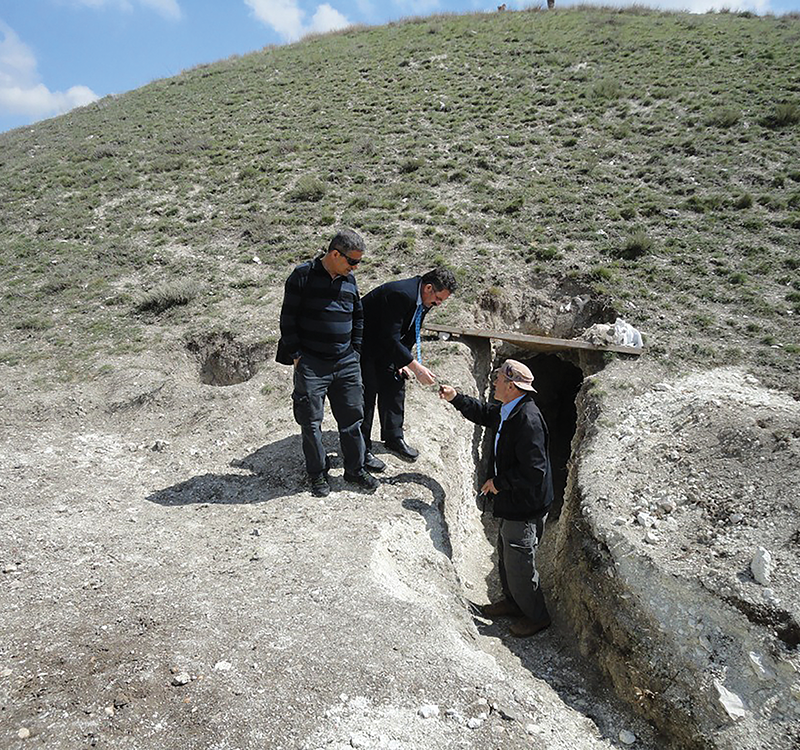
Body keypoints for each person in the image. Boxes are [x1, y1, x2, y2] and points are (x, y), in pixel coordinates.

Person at [439, 360, 554, 637]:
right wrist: (457, 398)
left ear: (511, 386)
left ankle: (537, 616)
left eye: (498, 379)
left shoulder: (528, 420)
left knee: (520, 563)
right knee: (506, 554)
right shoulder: (510, 410)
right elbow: (484, 413)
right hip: (514, 502)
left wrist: (498, 483)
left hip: (525, 506)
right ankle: (514, 604)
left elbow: (534, 470)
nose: (494, 383)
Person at [278, 229, 379, 497]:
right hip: (312, 364)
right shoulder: (302, 276)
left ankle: (355, 470)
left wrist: (355, 351)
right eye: (352, 261)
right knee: (311, 422)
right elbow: (287, 319)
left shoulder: (349, 280)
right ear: (335, 254)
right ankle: (318, 474)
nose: (355, 267)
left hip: (346, 363)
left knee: (352, 420)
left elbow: (358, 317)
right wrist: (298, 355)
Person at [360, 268, 457, 468]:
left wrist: (402, 362)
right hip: (364, 346)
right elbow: (389, 336)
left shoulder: (425, 298)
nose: (438, 304)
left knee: (395, 384)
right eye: (438, 298)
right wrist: (415, 367)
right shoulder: (401, 294)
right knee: (366, 396)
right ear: (429, 287)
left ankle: (393, 437)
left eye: (442, 301)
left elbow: (412, 330)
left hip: (385, 346)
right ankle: (362, 450)